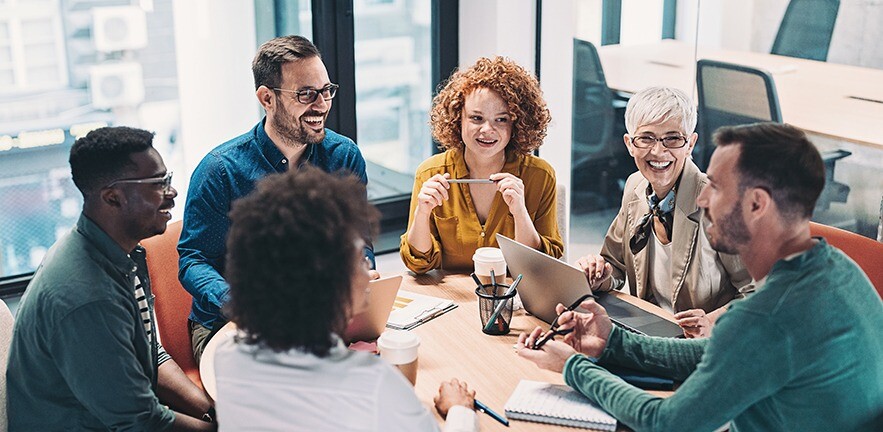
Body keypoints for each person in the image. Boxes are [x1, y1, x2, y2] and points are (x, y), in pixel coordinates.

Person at [517, 123, 883, 431]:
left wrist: (573, 367)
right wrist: (611, 342)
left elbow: (666, 423)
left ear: (757, 204)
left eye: (716, 186)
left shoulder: (765, 317)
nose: (703, 197)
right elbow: (715, 353)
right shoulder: (838, 268)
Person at [212, 167, 479, 431]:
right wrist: (459, 410)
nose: (368, 267)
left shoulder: (227, 359)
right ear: (325, 283)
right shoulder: (375, 385)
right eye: (357, 258)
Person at [178, 35, 376, 364]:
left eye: (327, 91)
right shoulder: (220, 170)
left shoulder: (343, 156)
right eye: (306, 94)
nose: (323, 105)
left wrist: (362, 268)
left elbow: (359, 240)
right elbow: (193, 261)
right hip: (229, 324)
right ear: (267, 98)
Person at [6, 127, 216, 431]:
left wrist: (210, 410)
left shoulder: (118, 252)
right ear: (112, 197)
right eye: (158, 184)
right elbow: (139, 422)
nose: (172, 192)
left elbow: (147, 353)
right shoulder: (87, 296)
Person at [574, 86, 752, 337]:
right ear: (629, 144)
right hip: (647, 333)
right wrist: (597, 274)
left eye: (673, 138)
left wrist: (713, 323)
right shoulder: (635, 187)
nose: (658, 151)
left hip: (702, 347)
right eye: (646, 138)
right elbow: (615, 266)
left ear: (690, 144)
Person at [400, 56, 563, 274]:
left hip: (514, 300)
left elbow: (542, 266)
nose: (487, 129)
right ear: (458, 119)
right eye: (476, 118)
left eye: (501, 119)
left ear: (517, 123)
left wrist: (519, 211)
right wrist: (422, 213)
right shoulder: (431, 173)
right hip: (453, 300)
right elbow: (419, 264)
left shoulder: (540, 176)